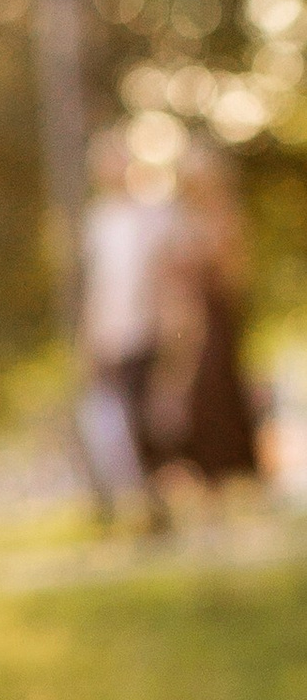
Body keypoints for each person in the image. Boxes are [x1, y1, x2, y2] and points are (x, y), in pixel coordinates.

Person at [76, 126, 180, 521]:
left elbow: (164, 274)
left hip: (146, 329)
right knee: (110, 421)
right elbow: (96, 285)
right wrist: (88, 339)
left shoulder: (154, 213)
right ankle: (122, 504)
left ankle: (156, 505)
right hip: (109, 335)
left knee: (143, 418)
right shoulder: (97, 221)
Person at [153, 138, 264, 489]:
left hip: (217, 316)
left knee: (220, 392)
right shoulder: (180, 220)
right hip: (188, 316)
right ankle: (206, 477)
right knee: (194, 397)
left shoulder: (226, 217)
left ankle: (232, 474)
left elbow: (233, 273)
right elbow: (165, 267)